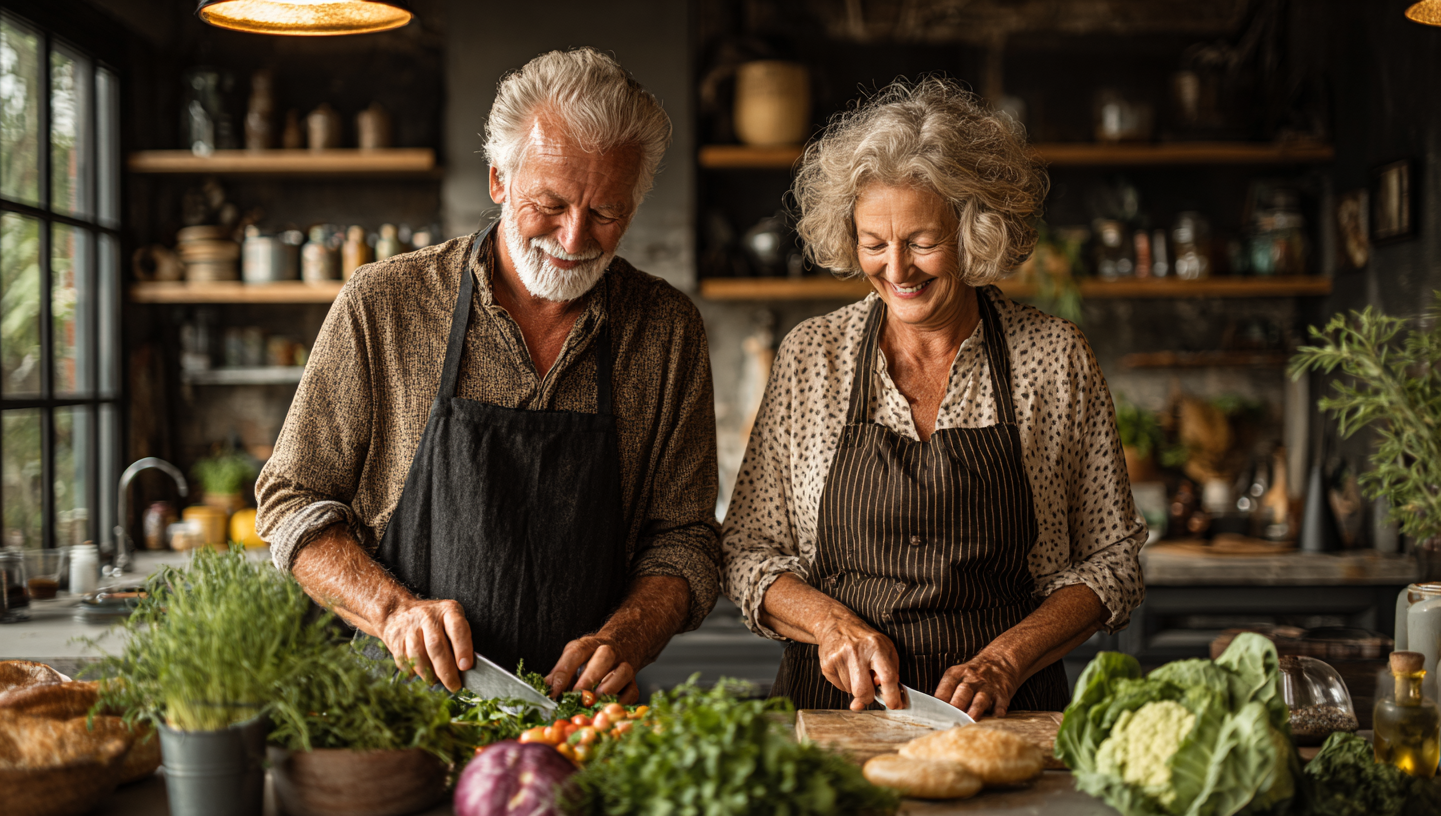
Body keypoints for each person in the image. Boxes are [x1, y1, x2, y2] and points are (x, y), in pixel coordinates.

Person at [256, 49, 720, 704]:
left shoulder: (667, 331)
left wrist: (628, 637)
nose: (575, 236)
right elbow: (291, 498)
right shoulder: (386, 302)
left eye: (608, 212)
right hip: (395, 709)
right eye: (550, 203)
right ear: (499, 179)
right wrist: (394, 612)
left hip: (579, 717)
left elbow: (686, 538)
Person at [720, 78, 1145, 719]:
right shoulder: (812, 356)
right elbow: (747, 549)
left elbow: (1112, 560)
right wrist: (832, 625)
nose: (897, 269)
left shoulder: (1054, 358)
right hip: (834, 716)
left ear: (975, 230)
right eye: (873, 243)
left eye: (922, 242)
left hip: (1005, 716)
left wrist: (1005, 659)